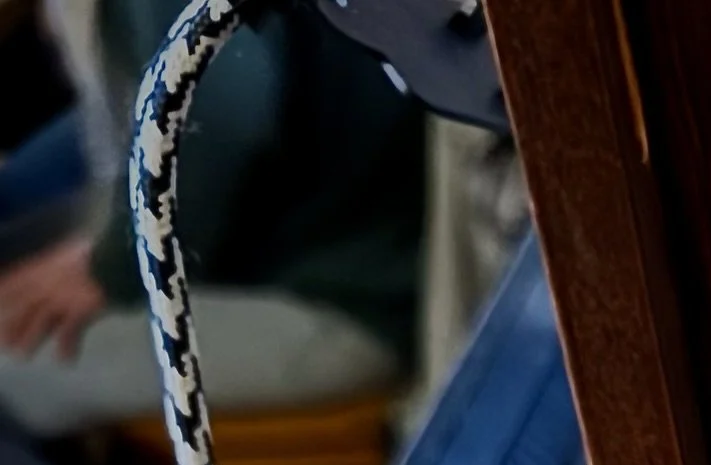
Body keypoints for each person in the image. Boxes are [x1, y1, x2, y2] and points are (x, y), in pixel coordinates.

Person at [0, 0, 422, 437]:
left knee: (8, 373)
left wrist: (114, 267)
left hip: (339, 306)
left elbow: (226, 105)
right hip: (317, 268)